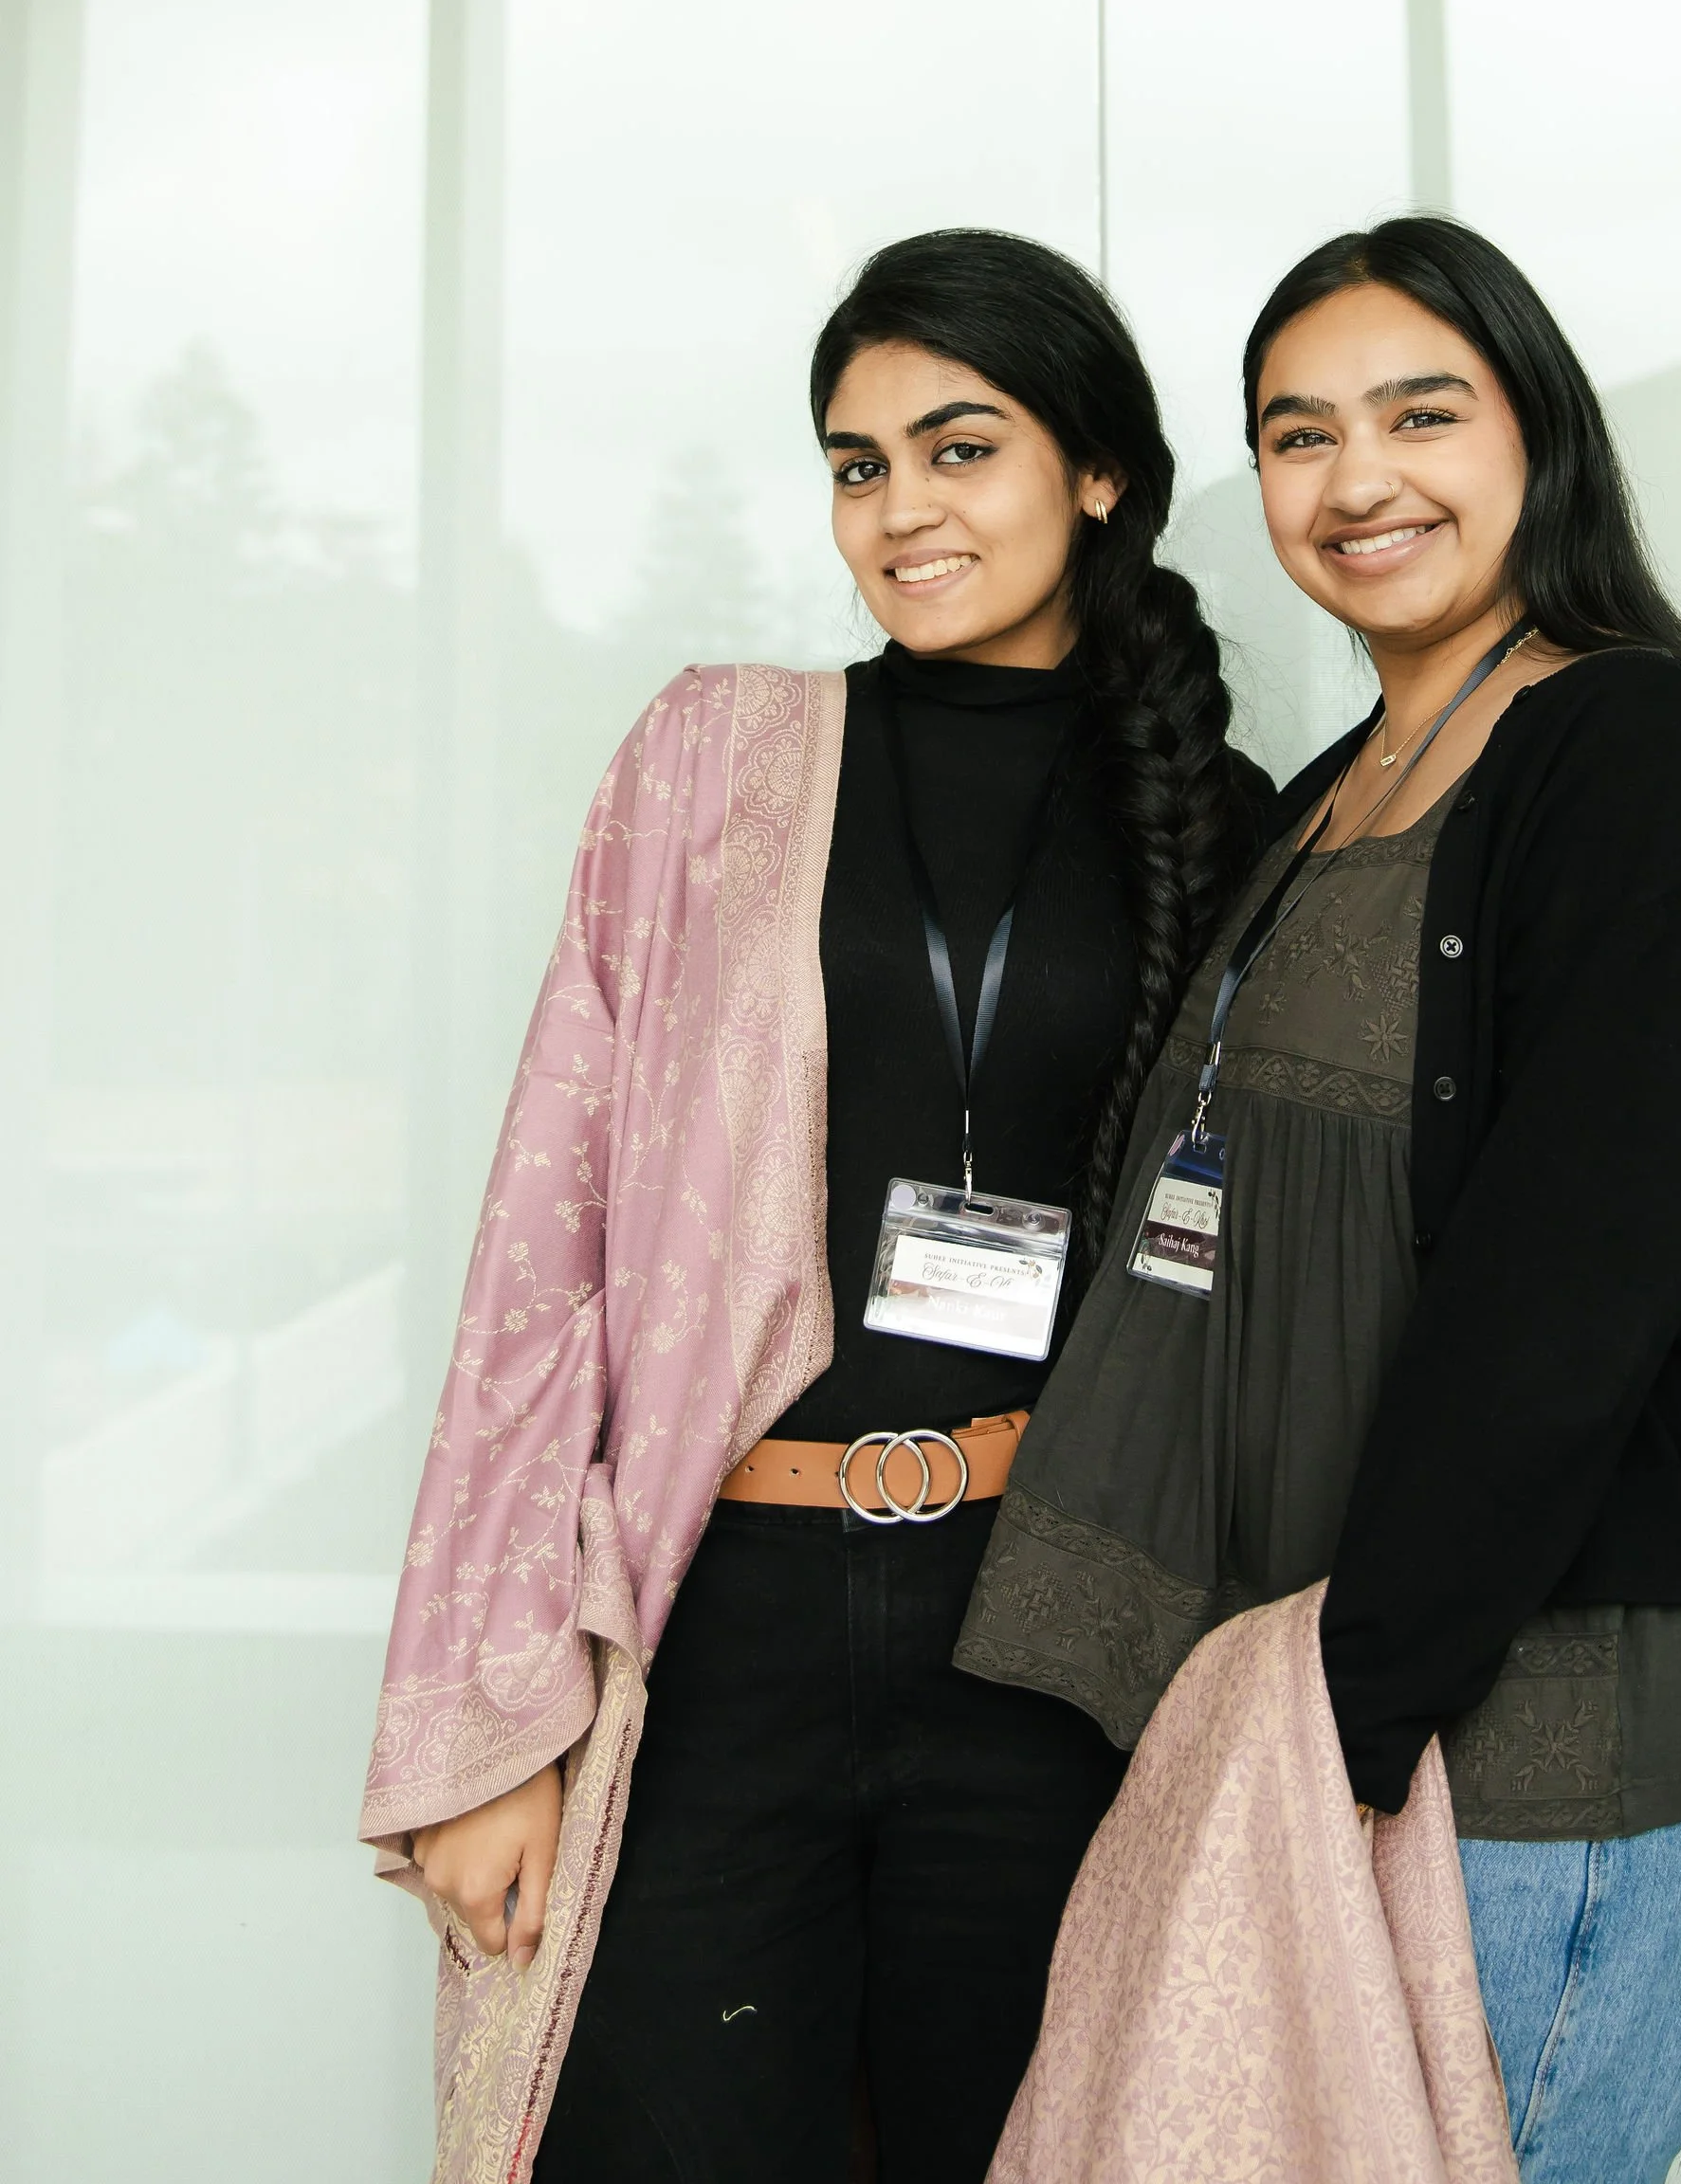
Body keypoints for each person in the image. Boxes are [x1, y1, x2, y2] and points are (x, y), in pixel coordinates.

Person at [959, 215, 1681, 2184]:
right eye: (1299, 436)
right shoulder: (1323, 795)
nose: (1357, 479)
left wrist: (1345, 1723)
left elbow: (1575, 1304)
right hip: (1337, 1743)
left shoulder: (1635, 759)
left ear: (1541, 437)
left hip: (1533, 1769)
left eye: (1419, 413)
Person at [361, 228, 1272, 2184]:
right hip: (728, 1625)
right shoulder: (717, 759)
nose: (901, 512)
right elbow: (548, 1247)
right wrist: (496, 1717)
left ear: (1097, 468)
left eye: (960, 449)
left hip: (1050, 1635)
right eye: (858, 466)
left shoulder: (1217, 808)